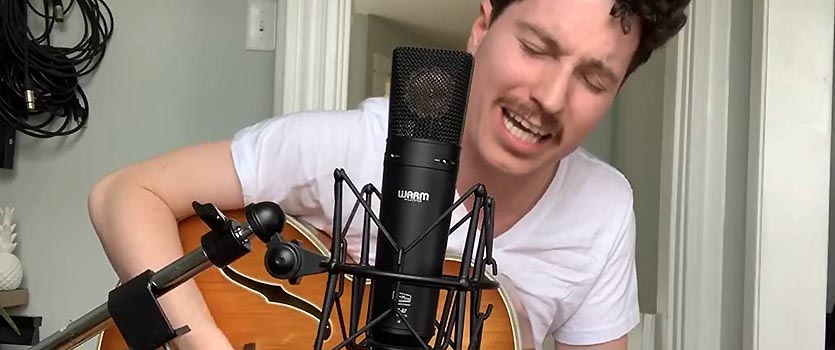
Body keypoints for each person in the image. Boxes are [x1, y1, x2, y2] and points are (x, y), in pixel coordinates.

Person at [87, 0, 690, 349]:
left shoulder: (603, 211)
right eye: (536, 48)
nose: (551, 99)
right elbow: (124, 194)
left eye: (593, 79)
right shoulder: (347, 144)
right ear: (483, 26)